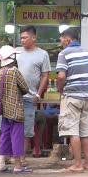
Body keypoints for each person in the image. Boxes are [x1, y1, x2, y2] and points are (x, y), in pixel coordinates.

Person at [56, 28, 88, 173]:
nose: (61, 44)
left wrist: (60, 89)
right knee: (85, 131)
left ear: (68, 40)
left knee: (73, 131)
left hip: (72, 97)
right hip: (86, 98)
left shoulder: (64, 54)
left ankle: (77, 164)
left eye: (61, 40)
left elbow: (61, 76)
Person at [16, 25, 51, 164]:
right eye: (21, 38)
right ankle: (5, 157)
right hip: (13, 97)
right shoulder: (16, 52)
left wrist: (38, 94)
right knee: (6, 127)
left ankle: (22, 157)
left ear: (33, 38)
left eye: (25, 38)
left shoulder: (42, 54)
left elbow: (45, 76)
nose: (22, 40)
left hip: (30, 97)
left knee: (27, 129)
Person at [0, 46, 31, 173]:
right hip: (16, 111)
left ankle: (1, 164)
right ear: (12, 58)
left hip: (4, 112)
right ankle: (18, 166)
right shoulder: (15, 72)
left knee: (4, 136)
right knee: (16, 137)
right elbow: (25, 88)